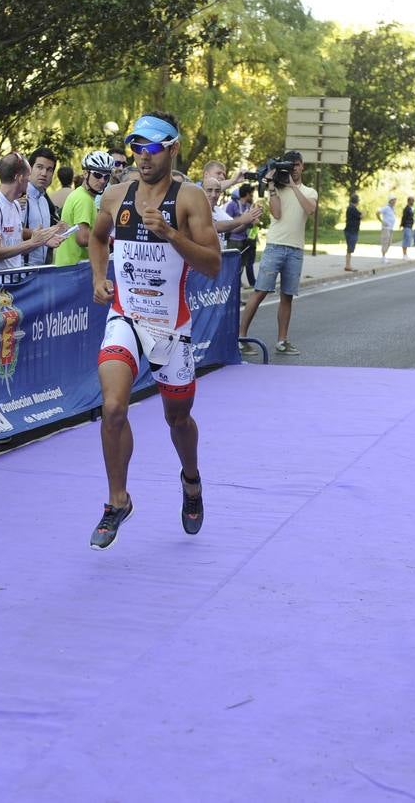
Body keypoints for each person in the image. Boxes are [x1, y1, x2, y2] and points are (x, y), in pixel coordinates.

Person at [87, 112, 221, 550]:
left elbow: (213, 265)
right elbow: (96, 236)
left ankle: (191, 480)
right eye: (136, 148)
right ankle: (117, 500)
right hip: (125, 315)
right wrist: (98, 276)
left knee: (177, 419)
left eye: (152, 147)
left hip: (170, 326)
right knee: (112, 408)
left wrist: (169, 235)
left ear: (173, 148)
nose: (143, 157)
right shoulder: (115, 195)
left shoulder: (191, 199)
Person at [237, 152, 316, 355]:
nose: (294, 169)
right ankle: (240, 337)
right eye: (291, 166)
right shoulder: (277, 189)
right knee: (260, 291)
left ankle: (282, 341)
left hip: (296, 249)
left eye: (297, 165)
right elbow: (277, 214)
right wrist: (272, 186)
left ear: (302, 167)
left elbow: (309, 209)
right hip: (275, 246)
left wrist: (292, 186)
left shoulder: (309, 191)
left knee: (287, 296)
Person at [0, 153, 60, 272]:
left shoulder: (16, 205)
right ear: (19, 178)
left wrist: (41, 241)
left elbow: (16, 246)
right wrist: (32, 242)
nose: (29, 179)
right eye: (28, 175)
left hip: (15, 282)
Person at [54, 151, 113, 268]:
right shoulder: (83, 199)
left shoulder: (81, 195)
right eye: (97, 175)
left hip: (70, 266)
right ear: (86, 173)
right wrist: (109, 239)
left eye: (106, 176)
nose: (102, 180)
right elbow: (83, 238)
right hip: (74, 268)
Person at [23, 147, 59, 266]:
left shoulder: (44, 200)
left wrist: (58, 230)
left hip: (41, 270)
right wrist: (45, 237)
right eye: (39, 167)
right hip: (20, 271)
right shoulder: (20, 196)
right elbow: (13, 231)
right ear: (30, 169)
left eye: (49, 170)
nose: (44, 173)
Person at [343, 192, 363, 272]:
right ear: (357, 201)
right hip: (352, 231)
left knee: (350, 248)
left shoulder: (350, 208)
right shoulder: (352, 208)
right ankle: (348, 265)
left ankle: (348, 265)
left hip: (349, 230)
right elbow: (360, 215)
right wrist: (364, 213)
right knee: (350, 249)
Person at [377, 196, 397, 263]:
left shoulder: (392, 208)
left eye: (395, 200)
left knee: (389, 243)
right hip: (386, 228)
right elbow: (377, 213)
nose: (395, 202)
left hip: (391, 228)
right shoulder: (386, 208)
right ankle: (383, 257)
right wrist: (381, 221)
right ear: (390, 201)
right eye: (393, 200)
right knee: (385, 242)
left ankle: (384, 256)